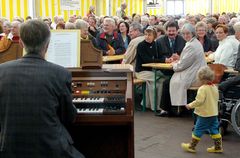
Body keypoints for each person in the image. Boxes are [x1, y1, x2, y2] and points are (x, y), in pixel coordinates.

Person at [0, 19, 85, 158]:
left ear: (21, 43)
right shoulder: (60, 73)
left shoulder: (1, 71)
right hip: (51, 149)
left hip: (9, 149)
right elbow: (69, 117)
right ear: (47, 45)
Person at [157, 23, 207, 116]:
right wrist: (178, 61)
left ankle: (170, 110)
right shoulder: (194, 43)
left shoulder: (191, 45)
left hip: (193, 75)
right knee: (169, 81)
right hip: (195, 72)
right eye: (183, 34)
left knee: (167, 82)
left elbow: (183, 65)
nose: (185, 36)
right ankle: (174, 108)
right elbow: (186, 60)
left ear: (192, 33)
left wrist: (174, 65)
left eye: (188, 33)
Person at [182, 66, 223, 153]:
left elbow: (199, 101)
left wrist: (190, 105)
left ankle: (191, 146)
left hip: (204, 114)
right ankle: (218, 147)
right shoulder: (215, 87)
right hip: (214, 113)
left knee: (198, 129)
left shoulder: (202, 89)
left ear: (202, 79)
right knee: (214, 129)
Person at [135, 26, 164, 111]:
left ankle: (149, 104)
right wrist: (163, 60)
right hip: (141, 72)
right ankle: (156, 106)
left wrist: (165, 59)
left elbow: (158, 56)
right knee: (161, 80)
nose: (147, 36)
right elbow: (147, 60)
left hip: (150, 71)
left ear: (154, 36)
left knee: (155, 83)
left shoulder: (155, 44)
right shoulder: (141, 45)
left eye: (149, 35)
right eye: (146, 34)